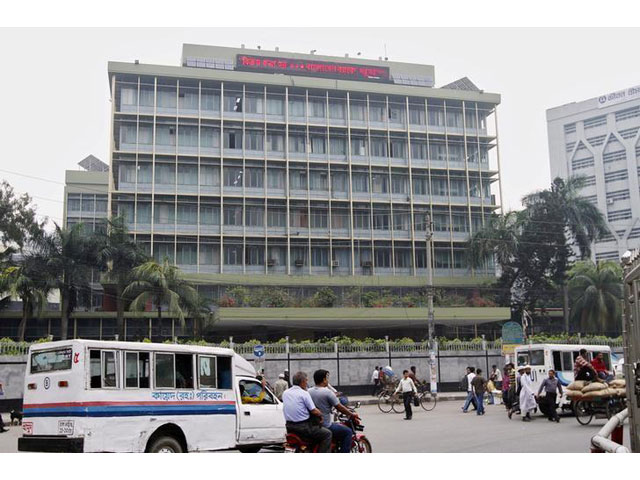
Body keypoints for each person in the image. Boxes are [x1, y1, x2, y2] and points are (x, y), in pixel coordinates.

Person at [309, 369, 360, 453]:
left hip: (312, 425)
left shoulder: (309, 391)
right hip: (326, 425)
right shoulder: (328, 392)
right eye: (327, 378)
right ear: (324, 379)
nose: (327, 380)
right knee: (348, 432)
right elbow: (340, 407)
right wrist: (351, 414)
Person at [282, 371, 332, 453]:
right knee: (327, 434)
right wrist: (321, 414)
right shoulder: (304, 393)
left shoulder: (286, 393)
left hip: (289, 427)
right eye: (306, 381)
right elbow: (314, 410)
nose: (307, 383)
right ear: (302, 382)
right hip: (303, 428)